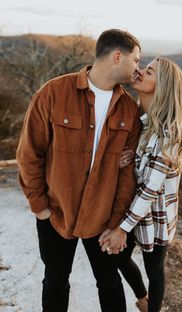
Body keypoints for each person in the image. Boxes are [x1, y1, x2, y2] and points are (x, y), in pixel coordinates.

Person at [16, 28, 146, 312]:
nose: (138, 67)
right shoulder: (53, 92)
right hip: (56, 212)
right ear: (116, 56)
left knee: (109, 282)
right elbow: (29, 153)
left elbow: (127, 176)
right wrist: (40, 206)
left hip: (101, 218)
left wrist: (115, 222)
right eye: (136, 60)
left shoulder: (129, 111)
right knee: (55, 281)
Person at [100, 56, 182, 312]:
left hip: (157, 215)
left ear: (162, 87)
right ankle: (143, 299)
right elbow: (137, 170)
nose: (140, 72)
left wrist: (121, 228)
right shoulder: (139, 121)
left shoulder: (169, 134)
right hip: (134, 209)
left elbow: (150, 189)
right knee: (118, 258)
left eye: (149, 72)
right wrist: (124, 161)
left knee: (154, 270)